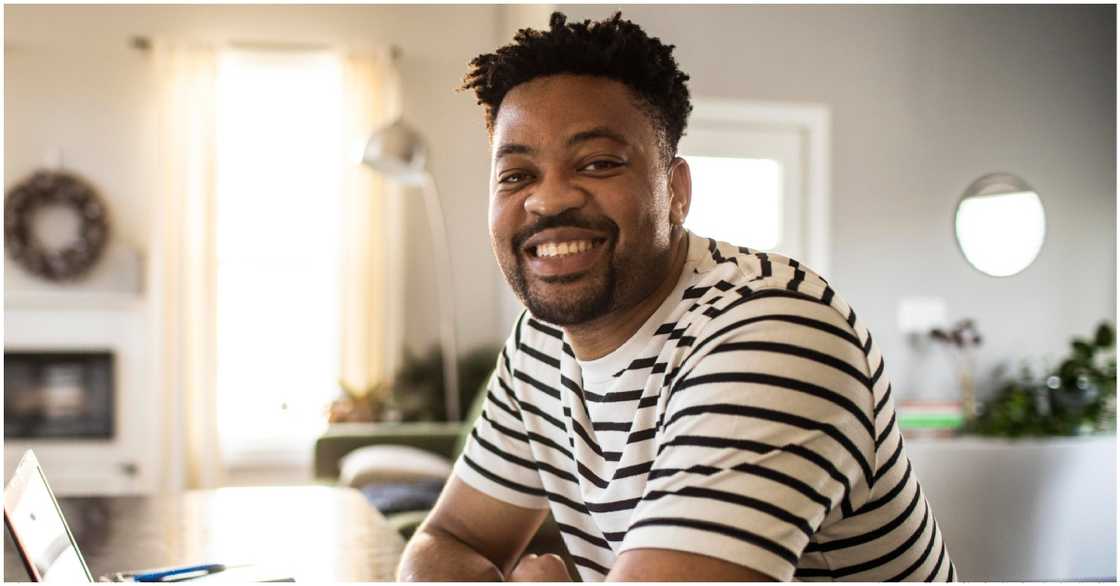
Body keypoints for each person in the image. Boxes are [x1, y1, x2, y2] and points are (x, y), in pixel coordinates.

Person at [396, 11, 955, 582]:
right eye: (515, 175)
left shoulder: (774, 333)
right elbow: (444, 542)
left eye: (598, 163)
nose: (548, 199)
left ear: (676, 191)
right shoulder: (540, 341)